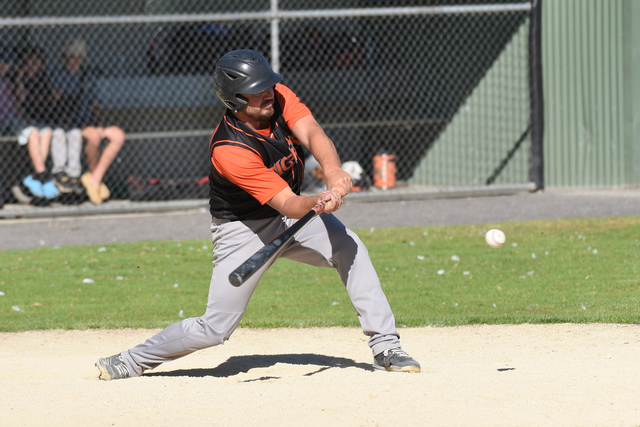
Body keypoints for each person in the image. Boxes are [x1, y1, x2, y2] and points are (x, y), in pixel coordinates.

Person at [95, 49, 420, 381]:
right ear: (235, 99)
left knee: (349, 247)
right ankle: (131, 360)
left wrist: (333, 171)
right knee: (215, 328)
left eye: (267, 85)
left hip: (292, 218)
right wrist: (317, 201)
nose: (267, 93)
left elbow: (312, 132)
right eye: (256, 89)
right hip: (243, 229)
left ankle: (386, 346)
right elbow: (287, 203)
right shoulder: (229, 149)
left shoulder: (277, 96)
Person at [51, 39, 125, 204]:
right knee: (94, 136)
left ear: (82, 58)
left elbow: (95, 104)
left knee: (117, 135)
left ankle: (94, 178)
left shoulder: (87, 76)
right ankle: (95, 182)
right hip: (70, 121)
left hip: (89, 120)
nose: (73, 60)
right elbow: (56, 106)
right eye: (69, 56)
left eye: (77, 56)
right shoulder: (58, 76)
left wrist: (101, 123)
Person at [12, 45, 60, 200]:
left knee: (47, 132)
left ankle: (35, 175)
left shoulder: (43, 79)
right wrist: (19, 78)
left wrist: (52, 98)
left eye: (36, 62)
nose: (32, 66)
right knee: (33, 133)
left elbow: (49, 102)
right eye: (28, 62)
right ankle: (43, 176)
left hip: (40, 120)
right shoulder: (16, 79)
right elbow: (20, 100)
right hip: (23, 120)